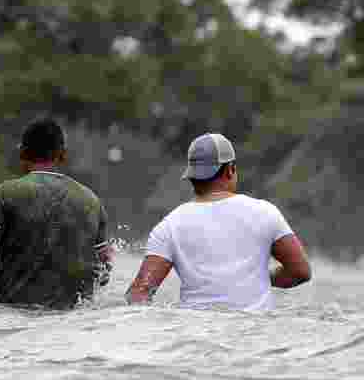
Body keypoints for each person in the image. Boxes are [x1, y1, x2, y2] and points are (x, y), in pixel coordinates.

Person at [127, 132, 311, 311]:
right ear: (230, 169)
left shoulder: (169, 226)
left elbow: (138, 294)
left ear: (192, 174)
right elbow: (300, 271)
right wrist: (263, 278)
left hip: (193, 335)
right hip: (254, 334)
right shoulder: (266, 213)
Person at [0, 117, 113, 309]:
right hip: (71, 329)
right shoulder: (91, 201)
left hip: (15, 325)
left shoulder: (7, 193)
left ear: (22, 153)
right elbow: (103, 273)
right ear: (63, 155)